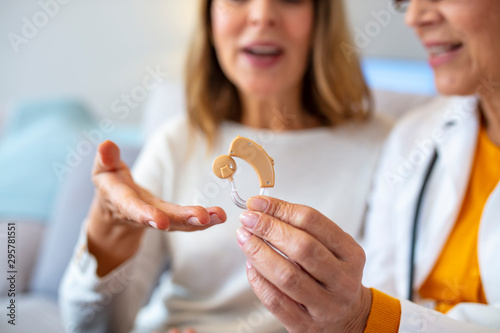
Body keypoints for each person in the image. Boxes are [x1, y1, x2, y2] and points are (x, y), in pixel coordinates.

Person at [59, 0, 391, 332]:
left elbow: (394, 307)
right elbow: (90, 327)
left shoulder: (389, 146)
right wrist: (109, 230)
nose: (262, 16)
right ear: (210, 20)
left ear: (321, 18)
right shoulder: (176, 142)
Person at [236, 0, 500, 332]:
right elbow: (384, 286)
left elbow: (374, 313)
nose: (415, 18)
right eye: (406, 1)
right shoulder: (415, 137)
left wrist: (366, 318)